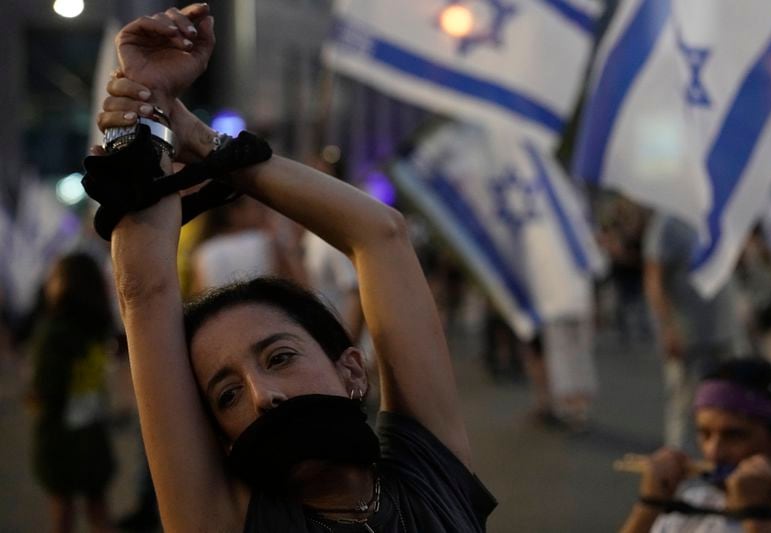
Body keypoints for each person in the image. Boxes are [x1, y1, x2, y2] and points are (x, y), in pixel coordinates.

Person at [90, 4, 496, 532]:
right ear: (220, 434)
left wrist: (199, 139)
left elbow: (381, 236)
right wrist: (139, 126)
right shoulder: (226, 520)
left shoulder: (430, 467)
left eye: (279, 357)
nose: (264, 395)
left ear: (352, 370)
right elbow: (144, 292)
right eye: (227, 395)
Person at [619, 357, 771, 533]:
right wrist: (649, 506)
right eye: (705, 434)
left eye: (734, 435)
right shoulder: (692, 504)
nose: (713, 452)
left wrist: (757, 517)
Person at [26, 252, 116, 533]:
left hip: (59, 435)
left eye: (54, 277)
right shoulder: (97, 326)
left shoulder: (53, 332)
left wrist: (32, 396)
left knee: (62, 511)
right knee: (98, 508)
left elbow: (45, 388)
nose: (48, 282)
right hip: (92, 428)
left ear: (67, 285)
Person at [643, 212, 739, 448]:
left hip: (721, 331)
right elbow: (653, 279)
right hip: (687, 333)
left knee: (727, 402)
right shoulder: (668, 222)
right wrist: (667, 328)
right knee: (682, 402)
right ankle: (677, 460)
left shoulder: (718, 215)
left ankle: (720, 459)